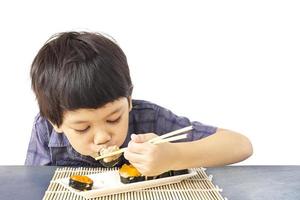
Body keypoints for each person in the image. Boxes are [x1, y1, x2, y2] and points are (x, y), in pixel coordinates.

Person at [25, 31, 253, 176]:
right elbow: (31, 186)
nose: (103, 137)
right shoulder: (45, 130)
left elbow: (240, 145)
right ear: (55, 121)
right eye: (83, 128)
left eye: (114, 118)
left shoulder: (148, 119)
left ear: (129, 101)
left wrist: (173, 156)